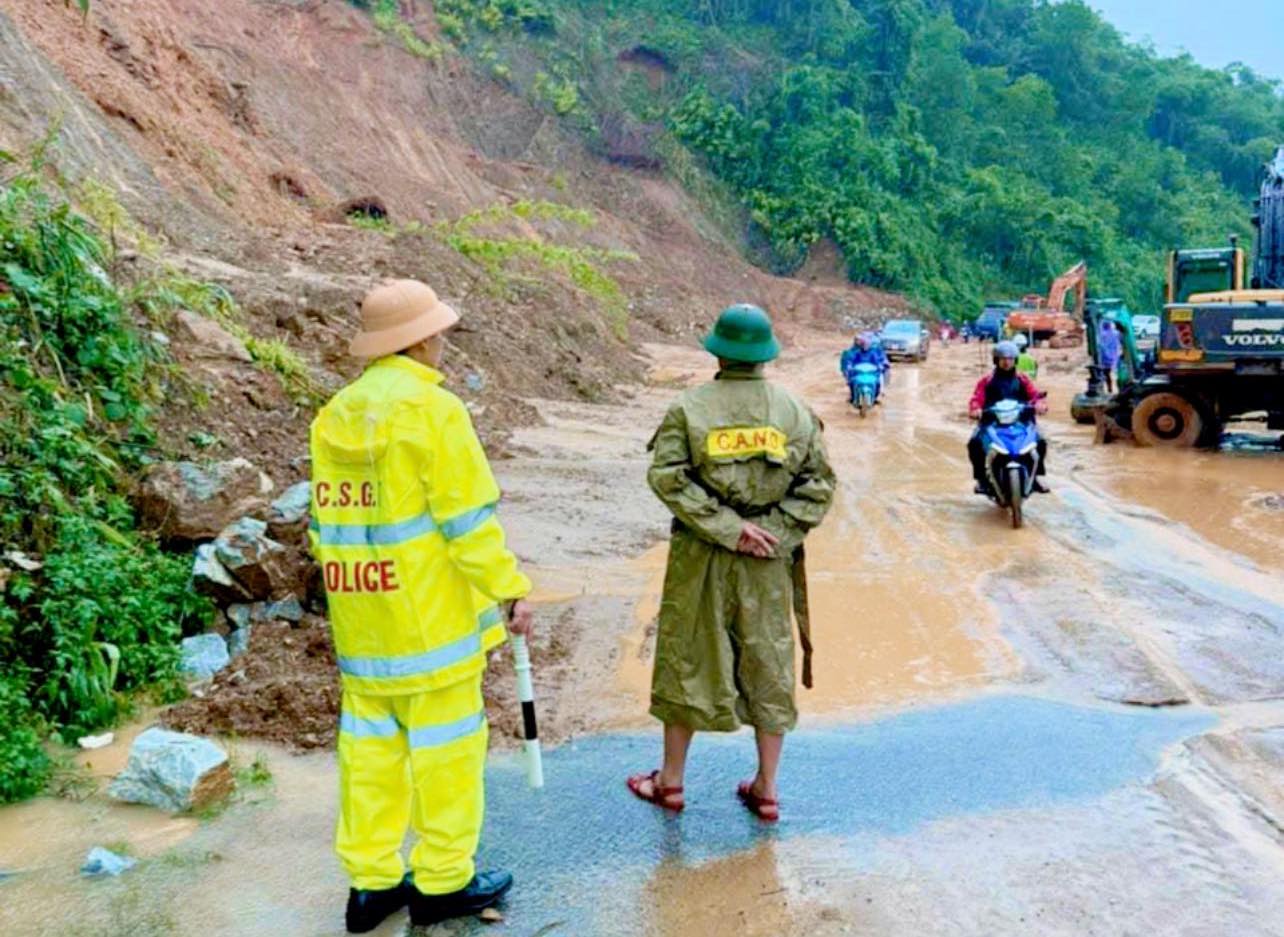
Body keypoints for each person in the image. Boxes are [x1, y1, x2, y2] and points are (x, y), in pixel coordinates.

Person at [309, 279, 534, 934]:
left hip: (363, 622)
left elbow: (326, 524)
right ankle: (443, 881)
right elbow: (467, 524)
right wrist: (509, 589)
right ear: (423, 339)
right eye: (438, 332)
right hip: (430, 628)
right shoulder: (435, 413)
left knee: (370, 758)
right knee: (447, 756)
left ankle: (372, 884)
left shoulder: (334, 416)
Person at [628, 304, 835, 822]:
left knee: (687, 656)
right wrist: (771, 535)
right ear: (766, 355)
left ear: (717, 351)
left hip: (701, 554)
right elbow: (819, 486)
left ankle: (671, 783)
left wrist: (727, 528)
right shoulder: (794, 411)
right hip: (767, 557)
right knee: (768, 661)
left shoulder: (688, 408)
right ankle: (766, 787)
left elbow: (668, 477)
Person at [967, 339, 1049, 494]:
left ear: (1015, 360)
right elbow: (977, 398)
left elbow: (1035, 395)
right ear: (996, 360)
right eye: (1003, 359)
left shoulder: (1022, 379)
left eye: (1010, 359)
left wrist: (1040, 404)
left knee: (1041, 441)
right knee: (974, 443)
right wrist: (975, 409)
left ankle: (1036, 477)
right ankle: (982, 480)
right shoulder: (986, 381)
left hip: (1020, 422)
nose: (1006, 362)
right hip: (992, 423)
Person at [839, 332, 890, 404]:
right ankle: (853, 396)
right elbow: (851, 360)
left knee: (878, 381)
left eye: (866, 345)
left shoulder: (874, 352)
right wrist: (849, 366)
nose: (864, 346)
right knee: (851, 381)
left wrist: (880, 366)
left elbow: (878, 361)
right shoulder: (856, 352)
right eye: (863, 345)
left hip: (871, 373)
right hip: (859, 372)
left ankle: (877, 395)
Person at [1098, 320, 1122, 393]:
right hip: (1113, 358)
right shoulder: (1115, 333)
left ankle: (1105, 389)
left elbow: (1100, 345)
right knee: (1109, 374)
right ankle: (1110, 389)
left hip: (1104, 358)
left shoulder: (1102, 334)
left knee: (1104, 374)